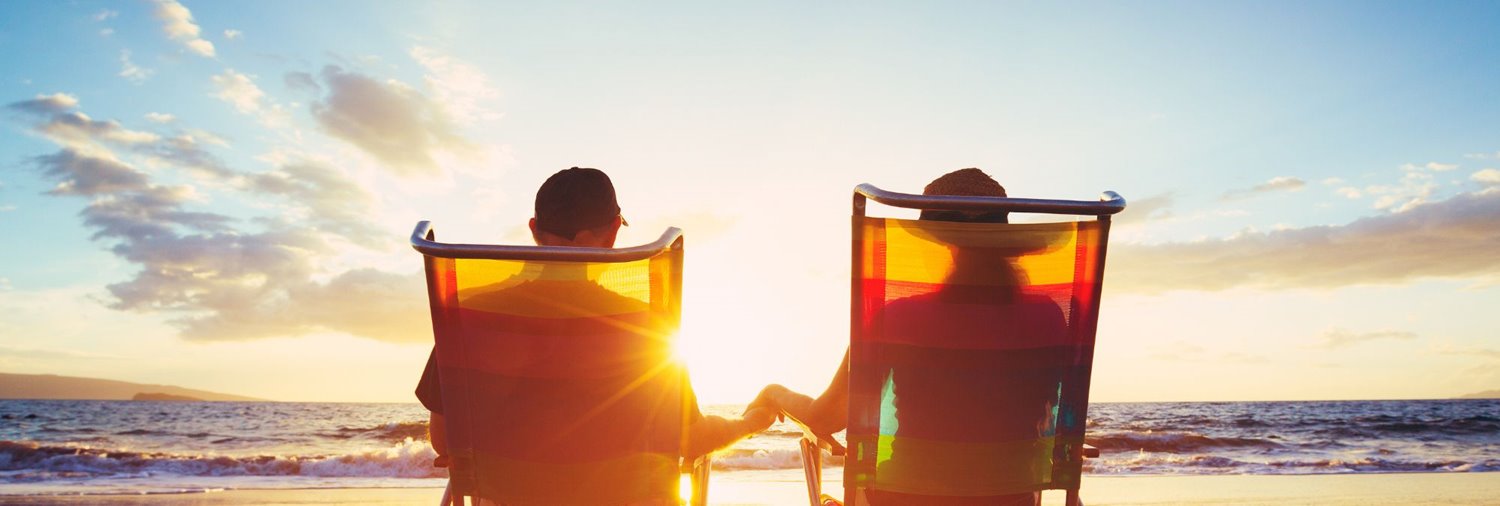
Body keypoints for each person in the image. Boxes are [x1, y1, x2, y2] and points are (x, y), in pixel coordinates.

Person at [416, 167, 776, 469]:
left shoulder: (473, 316)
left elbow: (445, 440)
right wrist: (749, 423)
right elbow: (690, 439)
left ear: (533, 229)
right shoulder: (643, 326)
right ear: (615, 230)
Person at [750, 168, 1068, 506]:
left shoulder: (896, 318)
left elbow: (827, 417)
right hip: (1011, 501)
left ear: (943, 244)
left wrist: (775, 394)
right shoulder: (1048, 317)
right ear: (1003, 242)